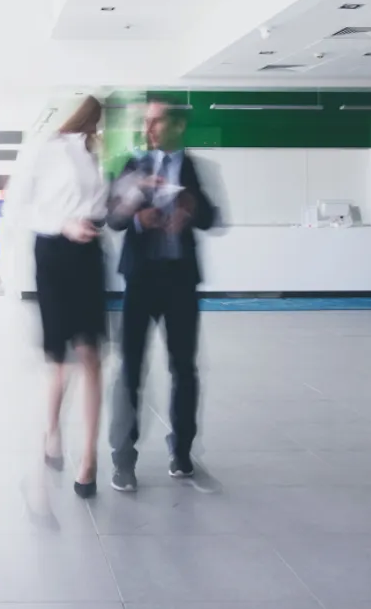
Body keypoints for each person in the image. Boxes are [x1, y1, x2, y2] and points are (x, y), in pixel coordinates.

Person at [106, 99, 218, 493]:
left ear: (174, 126)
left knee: (183, 369)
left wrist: (191, 209)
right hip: (139, 281)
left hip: (180, 282)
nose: (149, 129)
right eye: (146, 122)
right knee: (130, 369)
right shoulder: (131, 167)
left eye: (156, 122)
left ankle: (182, 452)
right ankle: (123, 458)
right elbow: (113, 219)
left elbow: (213, 219)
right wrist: (137, 217)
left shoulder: (194, 169)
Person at [7, 95, 108, 498]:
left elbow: (96, 203)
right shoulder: (43, 149)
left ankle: (89, 459)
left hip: (89, 254)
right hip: (54, 253)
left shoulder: (92, 155)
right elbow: (18, 207)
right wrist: (64, 225)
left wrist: (106, 212)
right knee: (59, 360)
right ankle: (51, 431)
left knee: (91, 355)